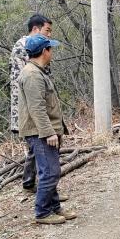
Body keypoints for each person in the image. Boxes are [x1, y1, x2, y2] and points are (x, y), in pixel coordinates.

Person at [17, 34, 76, 224]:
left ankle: (54, 207)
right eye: (50, 49)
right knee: (50, 172)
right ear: (44, 51)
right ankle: (42, 212)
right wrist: (49, 132)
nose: (52, 53)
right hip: (40, 132)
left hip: (43, 130)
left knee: (50, 170)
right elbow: (37, 108)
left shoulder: (37, 71)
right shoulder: (32, 75)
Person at [10, 14, 55, 194]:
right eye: (47, 30)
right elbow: (32, 85)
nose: (49, 35)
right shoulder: (25, 47)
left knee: (37, 149)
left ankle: (35, 185)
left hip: (35, 105)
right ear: (35, 29)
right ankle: (35, 187)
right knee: (38, 147)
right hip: (29, 107)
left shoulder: (36, 46)